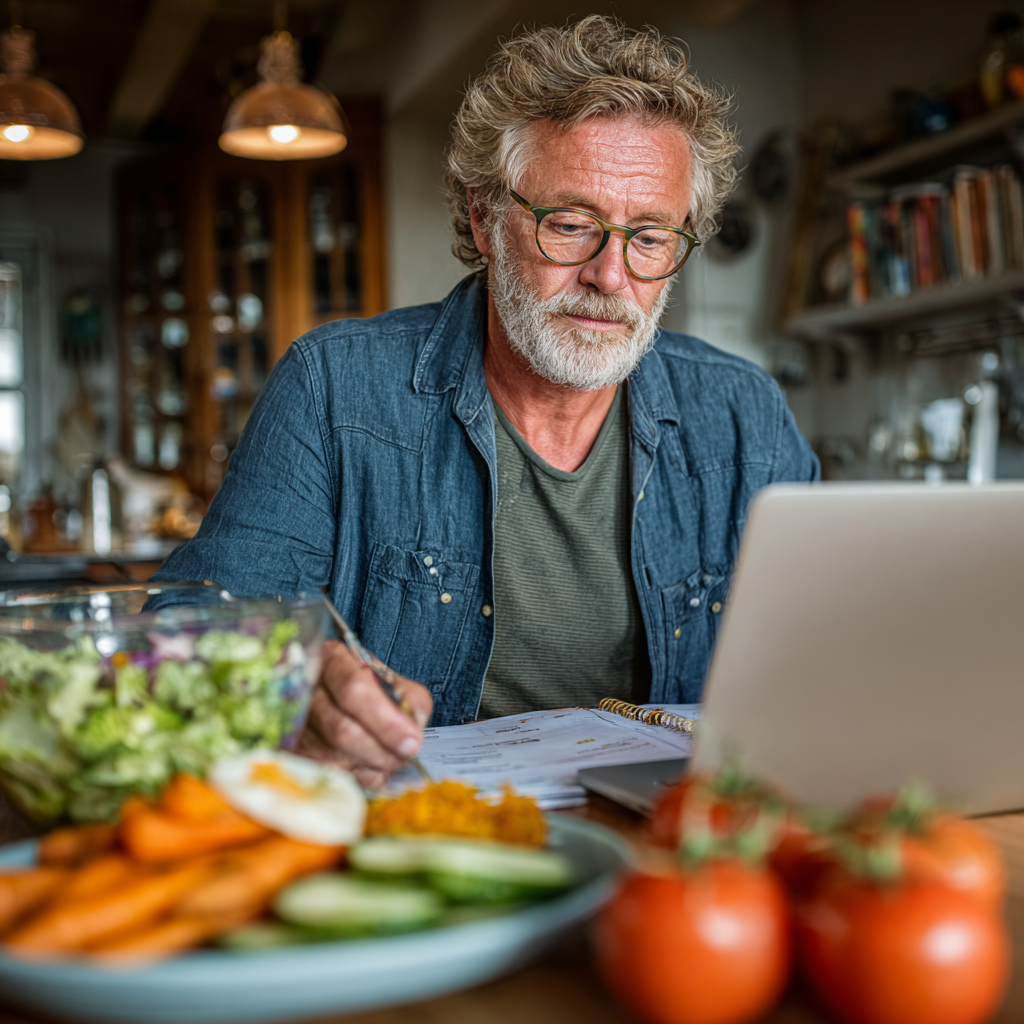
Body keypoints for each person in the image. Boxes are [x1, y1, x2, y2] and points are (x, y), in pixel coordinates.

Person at [152, 16, 819, 788]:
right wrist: (298, 682)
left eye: (649, 237)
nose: (610, 276)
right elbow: (185, 635)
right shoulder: (333, 388)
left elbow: (834, 647)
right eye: (571, 224)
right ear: (484, 219)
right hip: (418, 829)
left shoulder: (744, 416)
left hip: (672, 839)